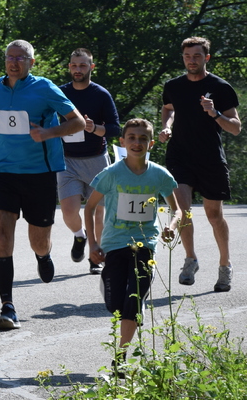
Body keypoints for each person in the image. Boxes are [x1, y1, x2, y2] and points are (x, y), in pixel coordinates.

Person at [0, 40, 85, 331]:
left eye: (20, 58)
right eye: (9, 57)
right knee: (1, 236)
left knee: (38, 239)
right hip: (4, 171)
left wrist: (48, 132)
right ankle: (7, 306)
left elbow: (77, 122)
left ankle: (43, 254)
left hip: (40, 173)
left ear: (31, 62)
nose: (14, 62)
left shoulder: (45, 88)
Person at [86, 118, 182, 377]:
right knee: (116, 304)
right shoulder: (112, 173)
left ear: (151, 144)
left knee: (133, 300)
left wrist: (172, 226)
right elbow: (90, 207)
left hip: (145, 244)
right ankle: (120, 295)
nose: (137, 143)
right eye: (132, 138)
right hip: (114, 244)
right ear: (122, 142)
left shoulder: (159, 175)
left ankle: (120, 357)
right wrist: (93, 243)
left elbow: (178, 210)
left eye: (142, 139)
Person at [158, 36, 241, 291]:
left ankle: (225, 265)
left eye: (196, 56)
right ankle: (190, 259)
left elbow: (235, 127)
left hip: (210, 159)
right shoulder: (173, 85)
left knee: (214, 216)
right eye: (187, 56)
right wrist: (167, 126)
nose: (191, 60)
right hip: (179, 156)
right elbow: (168, 108)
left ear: (207, 57)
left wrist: (214, 113)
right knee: (182, 211)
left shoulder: (220, 87)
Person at [57, 48, 121, 275]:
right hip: (67, 161)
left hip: (96, 160)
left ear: (91, 67)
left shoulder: (101, 94)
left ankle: (96, 256)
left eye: (83, 65)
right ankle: (79, 236)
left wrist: (95, 128)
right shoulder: (60, 93)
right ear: (69, 67)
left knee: (98, 214)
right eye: (74, 65)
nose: (78, 69)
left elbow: (115, 128)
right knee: (68, 211)